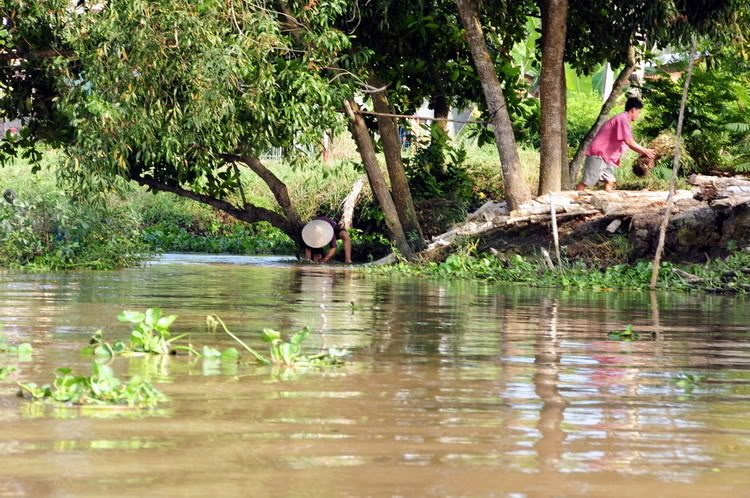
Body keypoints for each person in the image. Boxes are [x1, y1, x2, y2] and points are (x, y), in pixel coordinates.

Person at [576, 97, 656, 192]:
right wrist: (645, 150)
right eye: (639, 112)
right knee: (588, 181)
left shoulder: (624, 120)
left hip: (607, 157)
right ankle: (573, 199)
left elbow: (629, 142)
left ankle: (608, 202)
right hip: (599, 154)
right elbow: (629, 142)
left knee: (610, 181)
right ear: (633, 110)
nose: (638, 115)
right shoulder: (622, 119)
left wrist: (642, 152)